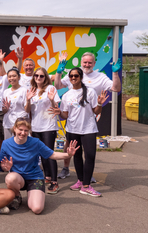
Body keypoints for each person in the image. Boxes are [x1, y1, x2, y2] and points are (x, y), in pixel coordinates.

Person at [54, 52, 121, 180]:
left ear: (94, 64)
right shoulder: (74, 74)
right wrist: (58, 72)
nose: (87, 64)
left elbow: (116, 88)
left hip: (90, 116)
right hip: (73, 117)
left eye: (90, 62)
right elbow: (57, 85)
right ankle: (66, 168)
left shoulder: (100, 77)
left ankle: (87, 175)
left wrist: (116, 73)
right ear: (81, 62)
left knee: (88, 150)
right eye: (85, 62)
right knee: (70, 145)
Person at [0, 118, 80, 213]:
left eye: (26, 130)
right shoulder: (6, 144)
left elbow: (52, 155)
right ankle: (17, 196)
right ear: (15, 129)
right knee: (10, 178)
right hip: (18, 178)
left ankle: (34, 195)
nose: (23, 133)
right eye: (20, 130)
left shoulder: (35, 142)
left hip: (35, 177)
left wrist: (68, 155)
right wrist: (5, 168)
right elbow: (1, 164)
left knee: (37, 209)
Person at [53, 67, 108, 197]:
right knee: (76, 156)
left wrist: (99, 104)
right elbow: (65, 115)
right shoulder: (66, 95)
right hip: (72, 129)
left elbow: (96, 112)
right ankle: (81, 181)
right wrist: (59, 112)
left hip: (88, 129)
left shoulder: (90, 92)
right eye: (71, 76)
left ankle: (86, 186)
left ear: (81, 77)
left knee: (90, 156)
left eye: (76, 76)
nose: (73, 78)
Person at [29, 67, 61, 194]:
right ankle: (47, 176)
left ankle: (54, 182)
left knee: (49, 154)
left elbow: (56, 107)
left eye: (41, 76)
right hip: (36, 126)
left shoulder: (50, 89)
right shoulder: (32, 90)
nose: (38, 78)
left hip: (48, 126)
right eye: (36, 75)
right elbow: (29, 111)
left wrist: (52, 99)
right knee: (41, 154)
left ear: (45, 77)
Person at [2, 67, 30, 140]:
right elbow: (4, 110)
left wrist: (29, 100)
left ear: (19, 77)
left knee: (20, 144)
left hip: (20, 123)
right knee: (9, 145)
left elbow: (27, 110)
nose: (12, 78)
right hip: (8, 123)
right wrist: (6, 108)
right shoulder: (6, 92)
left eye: (14, 76)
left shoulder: (24, 90)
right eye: (9, 76)